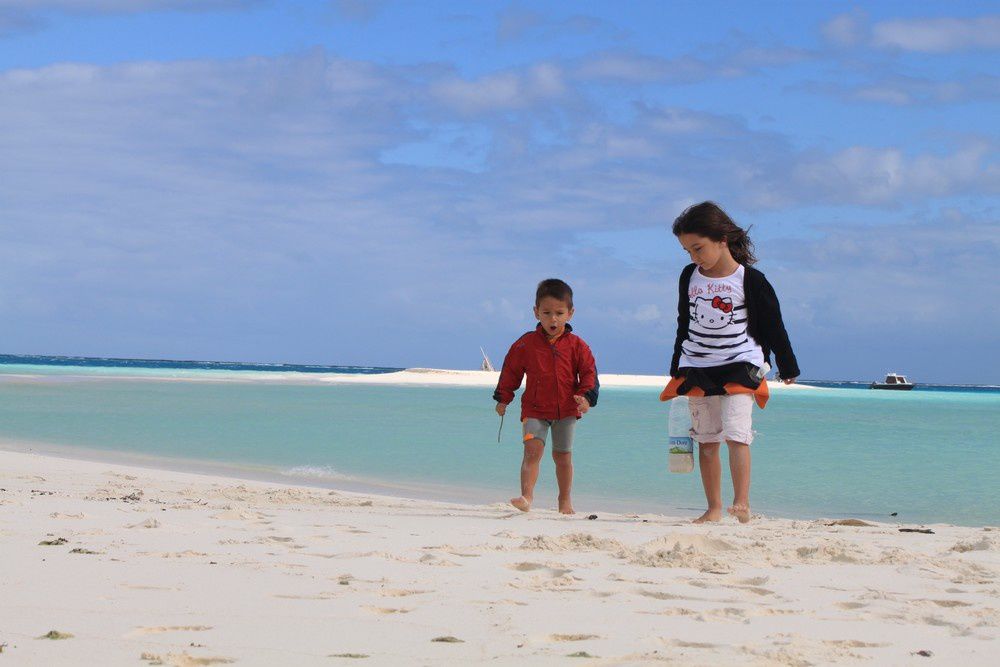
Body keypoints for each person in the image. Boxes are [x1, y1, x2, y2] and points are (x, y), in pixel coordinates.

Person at [663, 201, 799, 524]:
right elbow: (684, 322)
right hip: (698, 366)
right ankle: (713, 508)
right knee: (707, 441)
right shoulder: (689, 277)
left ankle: (741, 503)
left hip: (741, 365)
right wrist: (676, 366)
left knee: (737, 434)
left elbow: (774, 325)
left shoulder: (750, 280)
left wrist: (788, 364)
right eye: (688, 251)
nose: (695, 257)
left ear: (722, 239)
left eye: (699, 248)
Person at [493, 279, 599, 515]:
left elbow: (589, 373)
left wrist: (585, 397)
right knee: (532, 452)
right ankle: (527, 497)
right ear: (536, 312)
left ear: (570, 313)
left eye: (559, 313)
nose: (553, 319)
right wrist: (503, 398)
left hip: (567, 411)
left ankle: (564, 500)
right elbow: (511, 371)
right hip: (534, 410)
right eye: (547, 312)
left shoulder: (577, 346)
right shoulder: (525, 344)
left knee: (562, 457)